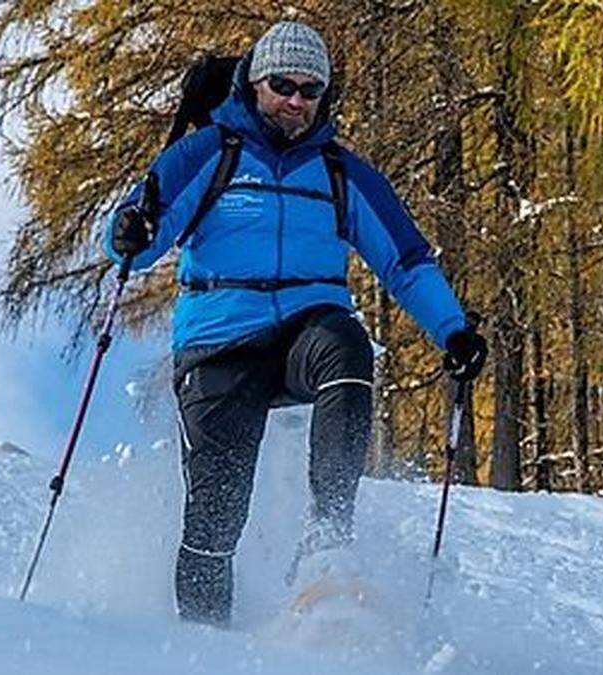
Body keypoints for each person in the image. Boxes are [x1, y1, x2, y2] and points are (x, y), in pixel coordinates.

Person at [103, 20, 487, 626]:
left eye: (311, 90)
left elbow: (407, 262)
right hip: (218, 342)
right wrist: (130, 230)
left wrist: (453, 330)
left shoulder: (341, 172)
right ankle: (202, 641)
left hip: (306, 329)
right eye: (284, 85)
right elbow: (138, 236)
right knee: (216, 512)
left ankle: (327, 538)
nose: (296, 101)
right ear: (255, 83)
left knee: (346, 347)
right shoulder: (209, 152)